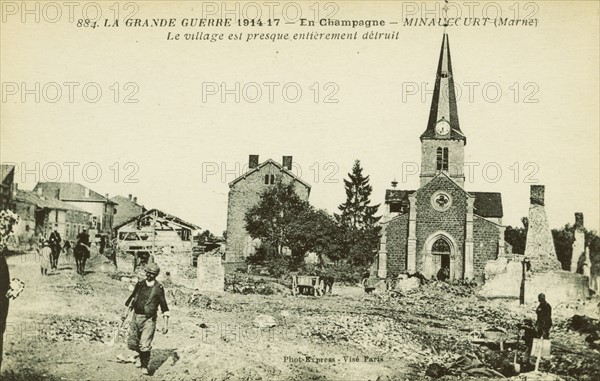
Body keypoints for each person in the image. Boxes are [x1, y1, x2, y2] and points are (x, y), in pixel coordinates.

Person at [122, 263, 169, 375]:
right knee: (133, 343)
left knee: (145, 344)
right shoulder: (140, 284)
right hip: (136, 317)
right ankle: (139, 356)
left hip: (149, 319)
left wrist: (166, 324)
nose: (148, 275)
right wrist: (125, 314)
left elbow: (164, 306)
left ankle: (144, 366)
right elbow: (132, 299)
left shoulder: (158, 288)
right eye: (147, 273)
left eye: (152, 274)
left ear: (156, 275)